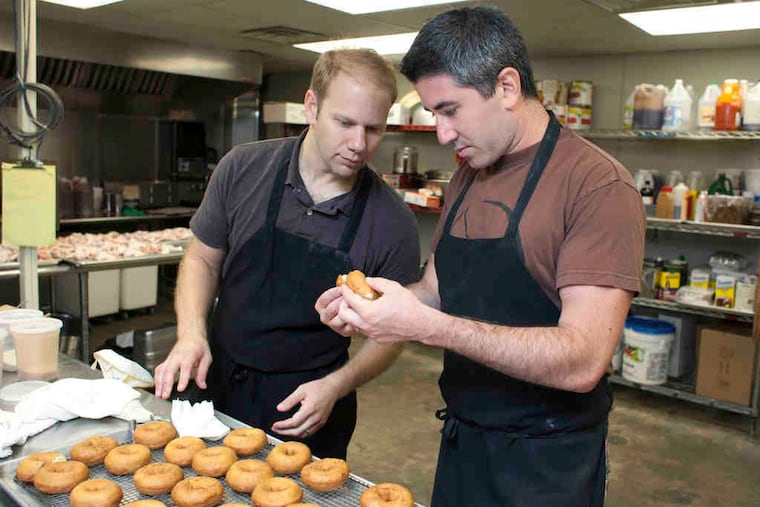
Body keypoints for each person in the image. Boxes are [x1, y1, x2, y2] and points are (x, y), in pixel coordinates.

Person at [316, 6, 645, 506]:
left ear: (507, 87)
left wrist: (425, 327)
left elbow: (583, 359)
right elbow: (436, 292)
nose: (444, 134)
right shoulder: (470, 173)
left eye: (450, 110)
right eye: (434, 115)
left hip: (547, 462)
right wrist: (376, 306)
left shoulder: (596, 185)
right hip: (464, 440)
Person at [154, 48, 420, 460]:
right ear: (311, 107)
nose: (358, 144)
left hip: (308, 404)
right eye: (345, 123)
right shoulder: (243, 168)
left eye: (374, 128)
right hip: (218, 381)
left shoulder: (391, 220)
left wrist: (338, 385)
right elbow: (202, 259)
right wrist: (191, 334)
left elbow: (393, 333)